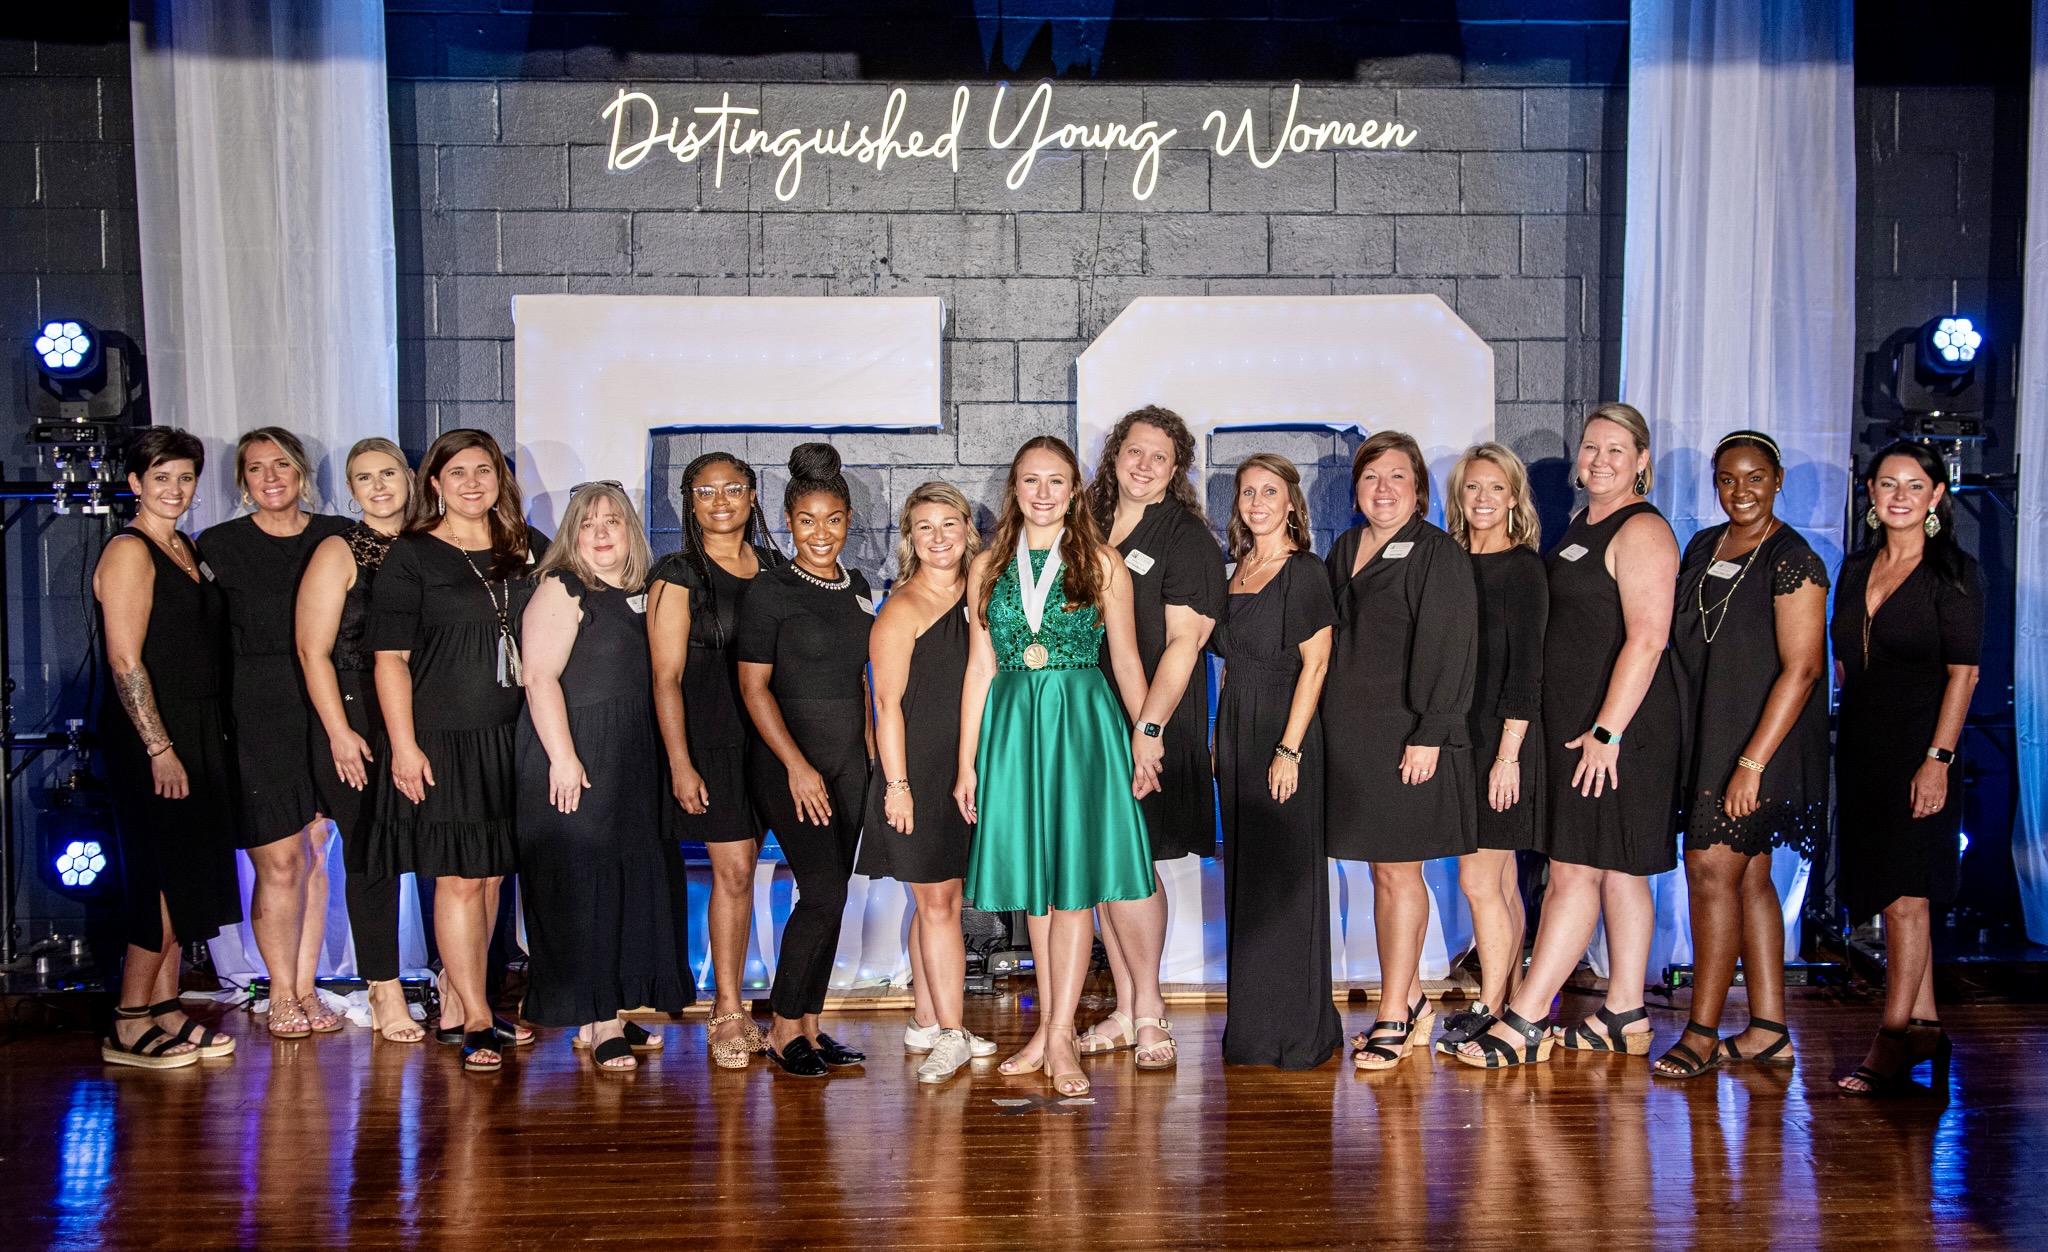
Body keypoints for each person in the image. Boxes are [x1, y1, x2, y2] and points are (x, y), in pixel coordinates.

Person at [1458, 403, 1683, 1069]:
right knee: (1618, 871)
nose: (1599, 460)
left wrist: (1607, 731)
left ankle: (1525, 1020)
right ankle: (1625, 1012)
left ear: (1642, 460)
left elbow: (1648, 638)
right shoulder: (1585, 524)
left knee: (1575, 870)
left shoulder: (1642, 530)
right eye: (1591, 448)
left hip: (1616, 732)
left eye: (1616, 450)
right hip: (1584, 729)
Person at [956, 435, 1158, 1098]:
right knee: (1037, 893)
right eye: (1029, 481)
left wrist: (1146, 736)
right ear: (1013, 489)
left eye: (1056, 481)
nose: (1042, 493)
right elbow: (981, 669)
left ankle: (1063, 1035)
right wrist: (968, 764)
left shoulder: (1101, 562)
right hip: (1015, 727)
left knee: (1071, 888)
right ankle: (1048, 1029)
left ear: (1074, 490)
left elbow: (1125, 661)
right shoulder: (986, 565)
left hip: (1080, 724)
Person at [1653, 431, 1829, 1080]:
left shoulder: (1794, 558)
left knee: (1710, 873)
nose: (1741, 490)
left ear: (1777, 479)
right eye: (1728, 478)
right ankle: (1768, 1031)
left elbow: (1804, 669)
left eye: (1755, 477)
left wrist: (1751, 764)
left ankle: (1701, 1031)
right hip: (1710, 731)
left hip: (1761, 742)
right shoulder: (1705, 546)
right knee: (1750, 879)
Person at [370, 429, 540, 1073]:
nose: (474, 482)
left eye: (485, 470)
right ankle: (472, 1016)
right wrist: (404, 746)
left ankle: (465, 1002)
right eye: (458, 471)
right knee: (461, 877)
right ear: (434, 483)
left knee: (492, 874)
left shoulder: (522, 549)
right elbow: (390, 660)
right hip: (443, 739)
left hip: (511, 736)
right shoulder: (411, 556)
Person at [517, 482, 695, 1072]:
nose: (600, 533)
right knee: (585, 885)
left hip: (631, 757)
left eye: (612, 522)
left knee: (623, 884)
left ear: (630, 531)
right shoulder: (561, 587)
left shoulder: (643, 593)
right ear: (572, 532)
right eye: (588, 523)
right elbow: (539, 679)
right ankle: (597, 1023)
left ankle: (611, 1007)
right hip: (577, 754)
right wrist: (565, 759)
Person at [1321, 431, 1478, 1071]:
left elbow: (1450, 646)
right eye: (1371, 478)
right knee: (1377, 871)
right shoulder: (1345, 546)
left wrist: (1430, 733)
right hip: (1348, 734)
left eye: (1397, 477)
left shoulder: (1438, 554)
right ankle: (1410, 1002)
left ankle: (1393, 1013)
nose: (1383, 490)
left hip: (1406, 733)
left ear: (1418, 489)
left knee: (1396, 873)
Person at [1831, 439, 1981, 1095]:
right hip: (1863, 749)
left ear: (1936, 498)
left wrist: (1938, 760)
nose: (1899, 495)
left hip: (1922, 750)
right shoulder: (1855, 568)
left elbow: (1965, 673)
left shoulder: (1954, 572)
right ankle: (1925, 1027)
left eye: (1914, 486)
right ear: (1870, 494)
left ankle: (1891, 1040)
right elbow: (1845, 663)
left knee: (1904, 900)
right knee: (1888, 894)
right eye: (1887, 484)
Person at [1079, 407, 1225, 1070]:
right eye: (1133, 452)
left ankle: (1150, 1010)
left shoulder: (1185, 537)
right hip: (1084, 719)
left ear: (1176, 470)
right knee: (1108, 865)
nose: (1143, 465)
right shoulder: (1087, 521)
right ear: (1115, 457)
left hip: (1151, 721)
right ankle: (1124, 1007)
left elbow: (1185, 643)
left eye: (1158, 457)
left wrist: (1149, 729)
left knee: (1134, 862)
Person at [94, 427, 242, 1068]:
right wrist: (160, 747)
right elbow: (126, 659)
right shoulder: (131, 551)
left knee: (184, 876)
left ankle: (163, 1007)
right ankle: (128, 1021)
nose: (176, 489)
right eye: (161, 479)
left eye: (184, 477)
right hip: (153, 734)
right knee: (157, 877)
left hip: (199, 726)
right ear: (135, 484)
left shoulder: (182, 546)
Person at [199, 427, 352, 1038]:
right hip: (254, 710)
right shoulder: (218, 545)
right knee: (280, 862)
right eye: (255, 468)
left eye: (281, 464)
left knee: (316, 853)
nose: (270, 477)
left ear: (302, 473)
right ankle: (279, 991)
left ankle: (309, 987)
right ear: (242, 483)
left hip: (322, 704)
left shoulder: (335, 536)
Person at [737, 444, 876, 1078]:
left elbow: (863, 680)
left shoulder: (861, 588)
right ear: (788, 522)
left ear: (849, 519)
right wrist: (796, 765)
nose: (821, 533)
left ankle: (811, 1027)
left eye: (834, 519)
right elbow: (753, 688)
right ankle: (781, 1028)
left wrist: (871, 754)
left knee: (835, 894)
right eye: (807, 521)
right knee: (820, 890)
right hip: (791, 765)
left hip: (849, 763)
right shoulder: (769, 589)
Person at [648, 451, 783, 1069]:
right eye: (706, 491)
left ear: (753, 495)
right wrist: (680, 761)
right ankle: (727, 1006)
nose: (721, 500)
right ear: (690, 501)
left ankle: (767, 1003)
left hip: (772, 740)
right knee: (732, 870)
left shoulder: (778, 567)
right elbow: (665, 677)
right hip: (711, 740)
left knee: (752, 866)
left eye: (733, 488)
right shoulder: (677, 575)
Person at [859, 481, 996, 1083]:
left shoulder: (984, 593)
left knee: (939, 901)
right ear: (909, 539)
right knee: (936, 902)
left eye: (950, 524)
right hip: (915, 773)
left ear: (968, 529)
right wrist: (897, 785)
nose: (939, 537)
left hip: (965, 766)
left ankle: (924, 1019)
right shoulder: (901, 609)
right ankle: (950, 1032)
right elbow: (886, 706)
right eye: (924, 527)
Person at [1212, 454, 1342, 1069]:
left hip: (1284, 732)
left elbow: (1316, 665)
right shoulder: (1238, 568)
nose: (1257, 502)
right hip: (1238, 730)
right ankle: (1254, 1031)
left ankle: (1299, 1034)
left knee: (1286, 881)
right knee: (1248, 880)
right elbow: (1229, 664)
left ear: (1291, 502)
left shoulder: (1305, 572)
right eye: (1247, 492)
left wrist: (1289, 747)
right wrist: (1219, 734)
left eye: (1269, 492)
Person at [295, 437, 421, 1043]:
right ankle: (383, 988)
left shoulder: (433, 545)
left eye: (387, 473)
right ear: (351, 490)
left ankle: (455, 983)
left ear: (410, 477)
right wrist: (339, 732)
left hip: (426, 715)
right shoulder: (338, 550)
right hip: (353, 716)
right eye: (363, 477)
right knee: (372, 856)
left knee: (442, 855)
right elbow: (310, 649)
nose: (378, 486)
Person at [1437, 443, 1547, 1053]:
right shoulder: (1450, 562)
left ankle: (1488, 1004)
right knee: (1499, 880)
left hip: (1503, 741)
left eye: (1495, 488)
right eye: (1472, 488)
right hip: (1459, 734)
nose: (1483, 499)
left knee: (1480, 881)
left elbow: (1526, 672)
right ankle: (1509, 1001)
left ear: (1513, 497)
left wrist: (1508, 754)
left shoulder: (1524, 569)